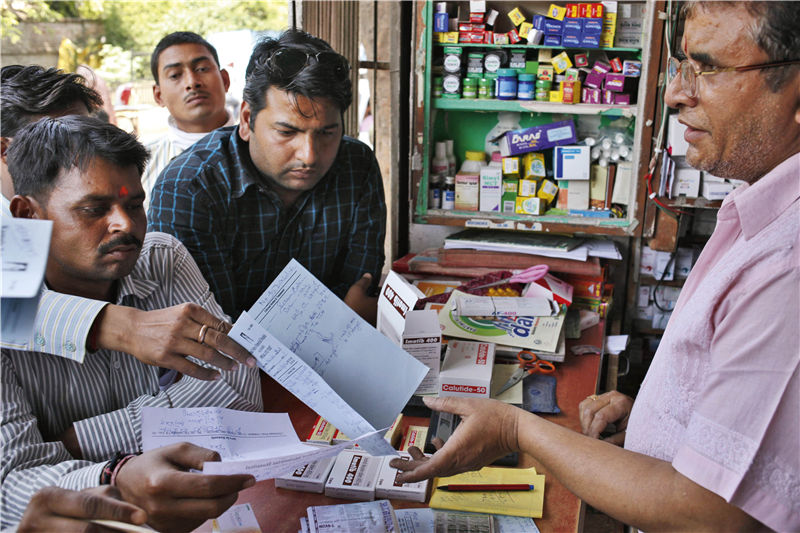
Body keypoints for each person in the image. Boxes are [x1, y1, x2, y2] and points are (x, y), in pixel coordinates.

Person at [392, 2, 799, 531]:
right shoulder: (760, 210)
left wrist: (517, 430)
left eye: (709, 67)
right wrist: (662, 423)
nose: (676, 93)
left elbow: (710, 515)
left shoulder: (788, 264)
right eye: (682, 66)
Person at [2, 116, 262, 531]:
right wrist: (117, 475)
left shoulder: (163, 259)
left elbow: (238, 383)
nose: (125, 224)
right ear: (28, 215)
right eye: (94, 209)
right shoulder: (7, 312)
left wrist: (81, 440)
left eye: (134, 204)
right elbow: (11, 487)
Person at [0, 64, 256, 381]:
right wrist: (118, 325)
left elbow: (231, 378)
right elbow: (10, 307)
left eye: (85, 129)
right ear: (5, 151)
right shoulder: (17, 232)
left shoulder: (157, 253)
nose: (79, 145)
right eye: (54, 135)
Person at [148, 29, 386, 324]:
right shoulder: (189, 189)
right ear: (247, 120)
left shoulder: (356, 165)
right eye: (287, 132)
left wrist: (346, 317)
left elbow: (360, 290)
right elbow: (211, 333)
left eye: (327, 133)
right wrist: (342, 320)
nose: (309, 156)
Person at [140, 31, 235, 205]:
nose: (192, 82)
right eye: (175, 75)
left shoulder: (263, 151)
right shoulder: (140, 166)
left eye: (202, 69)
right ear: (159, 95)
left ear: (225, 80)